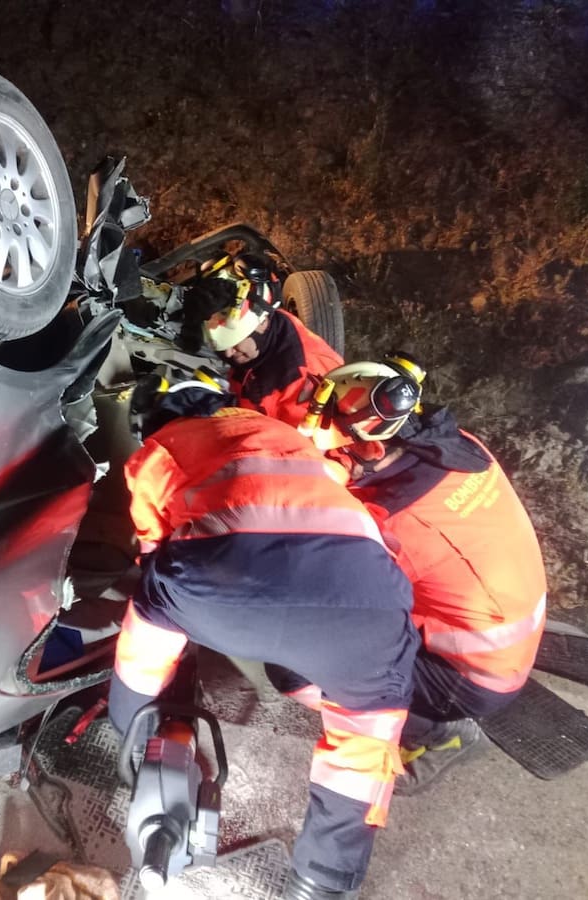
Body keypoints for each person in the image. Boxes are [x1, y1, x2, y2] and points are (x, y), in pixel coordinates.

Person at [110, 371, 419, 899]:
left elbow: (152, 544)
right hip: (370, 603)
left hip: (227, 592)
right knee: (364, 745)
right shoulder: (284, 434)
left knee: (153, 615)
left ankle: (134, 735)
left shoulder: (159, 448)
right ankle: (323, 881)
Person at [293, 355, 548, 794]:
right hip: (507, 642)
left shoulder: (391, 522)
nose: (334, 459)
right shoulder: (457, 445)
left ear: (372, 447)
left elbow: (339, 596)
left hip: (472, 680)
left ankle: (435, 734)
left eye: (337, 451)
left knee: (303, 656)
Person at [183, 254, 344, 426]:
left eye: (235, 344)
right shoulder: (269, 330)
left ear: (262, 323)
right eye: (222, 348)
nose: (228, 353)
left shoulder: (299, 383)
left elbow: (290, 449)